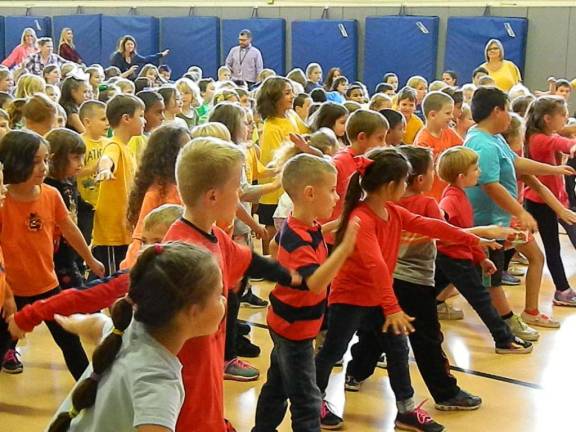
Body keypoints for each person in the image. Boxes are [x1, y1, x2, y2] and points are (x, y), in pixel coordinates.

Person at [316, 148, 487, 430]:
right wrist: (393, 307)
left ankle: (405, 410)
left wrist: (474, 239)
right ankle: (315, 398)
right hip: (351, 299)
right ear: (389, 185)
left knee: (397, 350)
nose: (407, 186)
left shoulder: (392, 211)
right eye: (404, 181)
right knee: (332, 350)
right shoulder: (362, 218)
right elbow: (377, 266)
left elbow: (431, 226)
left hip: (378, 298)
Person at [47, 242, 226, 432]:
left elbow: (96, 324)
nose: (223, 299)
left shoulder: (126, 330)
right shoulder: (158, 381)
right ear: (193, 312)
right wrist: (74, 322)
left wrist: (73, 322)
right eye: (218, 295)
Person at [252, 154, 359, 432]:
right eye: (333, 190)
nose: (337, 198)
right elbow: (314, 283)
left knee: (277, 386)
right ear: (310, 193)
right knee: (308, 402)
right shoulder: (298, 236)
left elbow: (277, 246)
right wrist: (345, 249)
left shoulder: (300, 224)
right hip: (293, 330)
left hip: (286, 322)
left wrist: (338, 224)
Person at [464, 87, 576, 339]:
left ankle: (530, 311)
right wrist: (521, 212)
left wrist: (555, 170)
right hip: (488, 222)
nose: (510, 116)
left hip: (502, 220)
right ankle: (506, 322)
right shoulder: (481, 142)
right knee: (484, 275)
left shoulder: (494, 138)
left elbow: (516, 164)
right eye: (507, 110)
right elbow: (490, 185)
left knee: (531, 258)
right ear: (497, 111)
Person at [0, 130, 104, 377]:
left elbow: (69, 229)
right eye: (35, 161)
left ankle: (90, 393)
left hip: (48, 286)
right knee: (5, 341)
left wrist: (90, 259)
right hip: (12, 291)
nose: (43, 167)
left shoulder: (51, 194)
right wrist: (6, 296)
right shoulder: (3, 202)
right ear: (15, 161)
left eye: (45, 160)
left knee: (70, 343)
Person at [433, 145, 534, 350]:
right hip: (454, 259)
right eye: (476, 169)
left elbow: (467, 231)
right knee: (481, 299)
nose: (479, 172)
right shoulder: (450, 199)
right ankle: (504, 339)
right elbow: (446, 230)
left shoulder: (461, 195)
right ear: (462, 176)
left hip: (455, 257)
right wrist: (485, 233)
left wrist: (481, 258)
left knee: (425, 296)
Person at [524, 96, 576, 305]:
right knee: (552, 247)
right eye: (562, 115)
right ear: (547, 119)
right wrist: (572, 145)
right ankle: (562, 291)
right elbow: (561, 142)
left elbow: (561, 134)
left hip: (553, 200)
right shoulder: (540, 139)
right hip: (540, 202)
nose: (566, 118)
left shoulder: (543, 133)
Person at [92, 95, 145, 274]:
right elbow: (107, 158)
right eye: (141, 115)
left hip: (125, 228)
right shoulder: (113, 145)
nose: (144, 120)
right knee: (112, 284)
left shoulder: (128, 148)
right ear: (126, 119)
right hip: (111, 234)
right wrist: (105, 169)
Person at [257, 76, 309, 254]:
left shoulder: (292, 115)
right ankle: (268, 262)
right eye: (287, 93)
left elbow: (305, 134)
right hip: (276, 186)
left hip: (291, 178)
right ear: (274, 99)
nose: (292, 96)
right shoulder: (272, 126)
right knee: (271, 226)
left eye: (292, 92)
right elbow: (274, 161)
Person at [45, 129, 87, 289]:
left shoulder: (68, 182)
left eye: (82, 157)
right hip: (57, 258)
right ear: (56, 159)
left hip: (71, 254)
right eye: (76, 158)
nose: (81, 163)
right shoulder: (48, 187)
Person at [413, 91, 463, 200]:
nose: (451, 117)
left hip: (447, 193)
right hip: (431, 196)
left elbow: (463, 150)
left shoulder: (449, 132)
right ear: (432, 115)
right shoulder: (423, 141)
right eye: (447, 113)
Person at [76, 101, 109, 245]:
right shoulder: (79, 143)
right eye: (103, 119)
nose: (107, 123)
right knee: (86, 236)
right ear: (87, 122)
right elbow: (74, 172)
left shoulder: (109, 143)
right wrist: (96, 167)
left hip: (104, 200)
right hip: (85, 202)